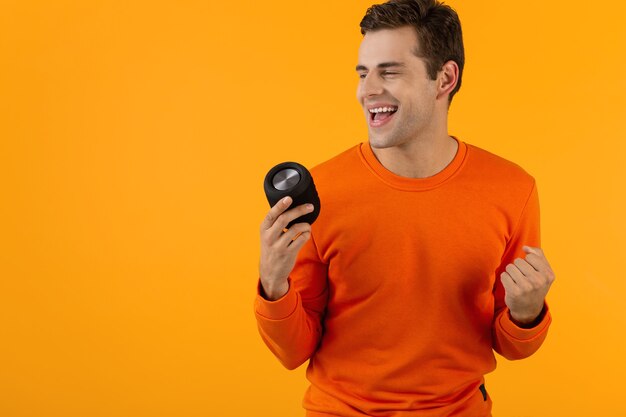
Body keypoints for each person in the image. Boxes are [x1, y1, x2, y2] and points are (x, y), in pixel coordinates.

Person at [254, 1, 556, 416]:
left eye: (389, 71)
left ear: (444, 78)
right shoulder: (321, 190)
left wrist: (527, 314)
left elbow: (511, 346)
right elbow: (293, 352)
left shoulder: (512, 189)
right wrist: (273, 286)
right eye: (363, 73)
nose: (367, 89)